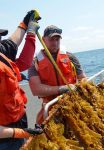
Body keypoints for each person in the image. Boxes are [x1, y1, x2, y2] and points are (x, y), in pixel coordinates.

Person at [0, 10, 43, 150]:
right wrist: (21, 133)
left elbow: (12, 43)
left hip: (18, 128)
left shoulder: (1, 52)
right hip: (5, 140)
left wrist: (26, 26)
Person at [28, 25, 86, 124]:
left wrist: (80, 87)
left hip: (74, 104)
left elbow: (83, 79)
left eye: (57, 39)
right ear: (43, 40)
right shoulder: (35, 62)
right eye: (51, 39)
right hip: (50, 108)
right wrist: (62, 89)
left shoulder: (70, 57)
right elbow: (36, 90)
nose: (55, 43)